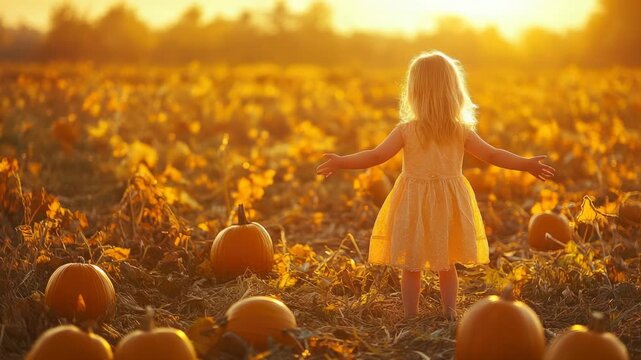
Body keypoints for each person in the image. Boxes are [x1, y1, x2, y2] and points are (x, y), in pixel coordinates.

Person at [316, 50, 555, 319]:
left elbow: (375, 156)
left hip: (414, 201)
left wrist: (341, 162)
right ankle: (450, 314)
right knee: (447, 263)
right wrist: (526, 164)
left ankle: (411, 316)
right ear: (453, 90)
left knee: (411, 265)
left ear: (414, 92)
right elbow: (493, 155)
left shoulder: (407, 130)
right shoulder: (458, 130)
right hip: (448, 201)